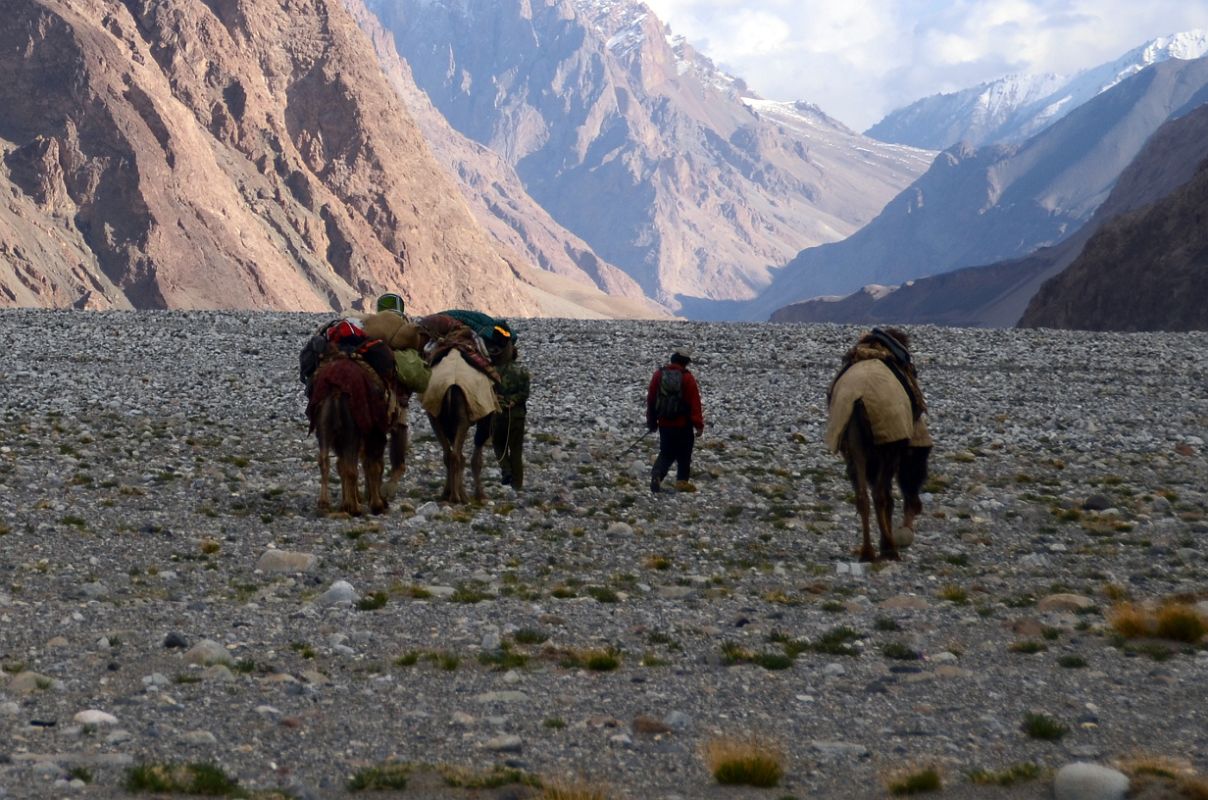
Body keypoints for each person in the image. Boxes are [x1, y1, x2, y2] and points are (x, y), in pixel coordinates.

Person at [646, 347, 704, 492]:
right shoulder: (687, 378)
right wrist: (699, 425)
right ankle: (682, 482)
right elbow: (694, 402)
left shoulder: (658, 375)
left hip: (665, 423)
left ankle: (657, 474)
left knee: (666, 452)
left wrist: (652, 422)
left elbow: (651, 400)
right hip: (684, 424)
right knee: (684, 454)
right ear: (686, 363)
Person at [491, 346, 530, 489]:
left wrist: (502, 400)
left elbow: (491, 392)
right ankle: (517, 485)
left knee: (497, 444)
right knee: (516, 450)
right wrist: (514, 400)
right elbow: (525, 393)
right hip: (517, 416)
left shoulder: (495, 371)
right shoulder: (522, 371)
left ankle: (506, 470)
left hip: (500, 414)